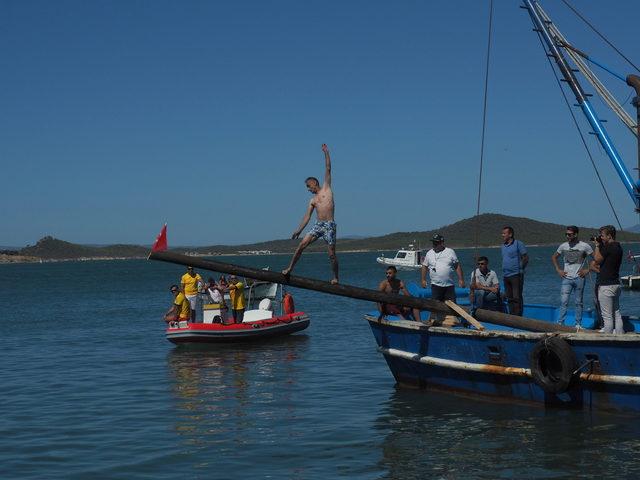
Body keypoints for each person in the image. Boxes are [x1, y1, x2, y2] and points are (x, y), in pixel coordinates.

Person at [282, 144, 339, 284]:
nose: (308, 189)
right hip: (318, 225)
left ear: (314, 183)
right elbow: (307, 217)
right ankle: (290, 268)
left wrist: (326, 153)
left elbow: (328, 168)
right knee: (301, 245)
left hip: (329, 225)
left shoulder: (326, 188)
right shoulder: (312, 200)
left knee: (331, 254)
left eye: (308, 186)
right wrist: (299, 230)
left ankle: (336, 277)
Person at [551, 226, 593, 328]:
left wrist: (587, 270)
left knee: (578, 302)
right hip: (566, 278)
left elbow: (596, 258)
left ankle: (578, 324)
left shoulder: (585, 246)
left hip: (579, 278)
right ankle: (560, 323)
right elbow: (554, 257)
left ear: (575, 234)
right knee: (564, 301)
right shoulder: (563, 246)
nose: (567, 236)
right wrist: (558, 270)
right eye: (566, 234)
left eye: (569, 234)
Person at [593, 225, 623, 334]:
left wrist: (597, 246)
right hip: (616, 284)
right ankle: (620, 336)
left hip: (606, 285)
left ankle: (608, 338)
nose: (601, 238)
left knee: (607, 316)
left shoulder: (608, 247)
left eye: (602, 236)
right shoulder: (618, 247)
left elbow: (596, 260)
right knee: (617, 313)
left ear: (609, 236)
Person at [421, 234, 465, 301]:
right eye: (433, 242)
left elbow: (457, 266)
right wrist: (423, 280)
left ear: (442, 243)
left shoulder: (450, 252)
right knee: (436, 307)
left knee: (451, 307)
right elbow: (424, 266)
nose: (434, 244)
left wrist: (461, 279)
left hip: (449, 286)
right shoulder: (429, 253)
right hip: (435, 285)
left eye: (436, 243)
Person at [501, 226, 528, 316]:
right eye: (503, 233)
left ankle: (518, 316)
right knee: (509, 297)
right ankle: (512, 315)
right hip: (506, 275)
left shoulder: (518, 244)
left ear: (510, 234)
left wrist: (520, 268)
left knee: (517, 297)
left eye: (504, 233)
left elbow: (525, 257)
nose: (502, 235)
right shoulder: (503, 246)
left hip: (516, 274)